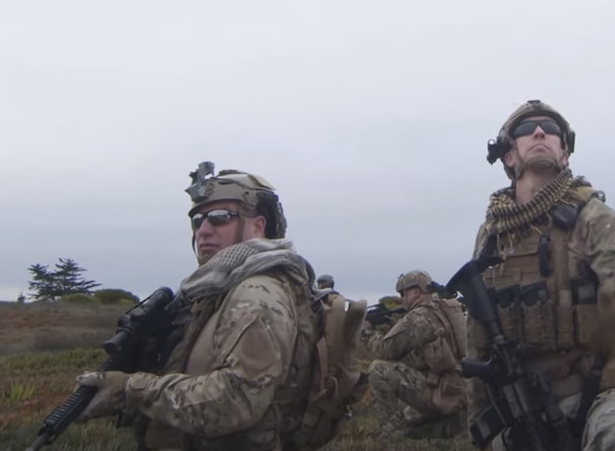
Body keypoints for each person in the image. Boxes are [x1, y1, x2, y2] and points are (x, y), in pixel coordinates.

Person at [467, 100, 615, 451]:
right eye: (526, 129)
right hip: (526, 402)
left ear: (565, 153)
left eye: (552, 131)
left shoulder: (593, 218)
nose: (539, 132)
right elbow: (479, 336)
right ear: (508, 156)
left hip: (603, 392)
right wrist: (479, 424)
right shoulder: (492, 236)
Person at [71, 163, 321, 451]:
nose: (203, 230)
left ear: (258, 226)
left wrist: (130, 390)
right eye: (197, 220)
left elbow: (237, 401)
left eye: (220, 217)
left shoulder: (257, 294)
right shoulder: (215, 291)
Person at [361, 269, 469, 439]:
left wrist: (365, 332)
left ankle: (393, 432)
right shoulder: (447, 308)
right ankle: (444, 428)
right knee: (412, 418)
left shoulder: (418, 317)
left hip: (440, 391)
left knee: (378, 369)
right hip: (461, 387)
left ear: (416, 291)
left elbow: (384, 350)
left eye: (404, 293)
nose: (402, 298)